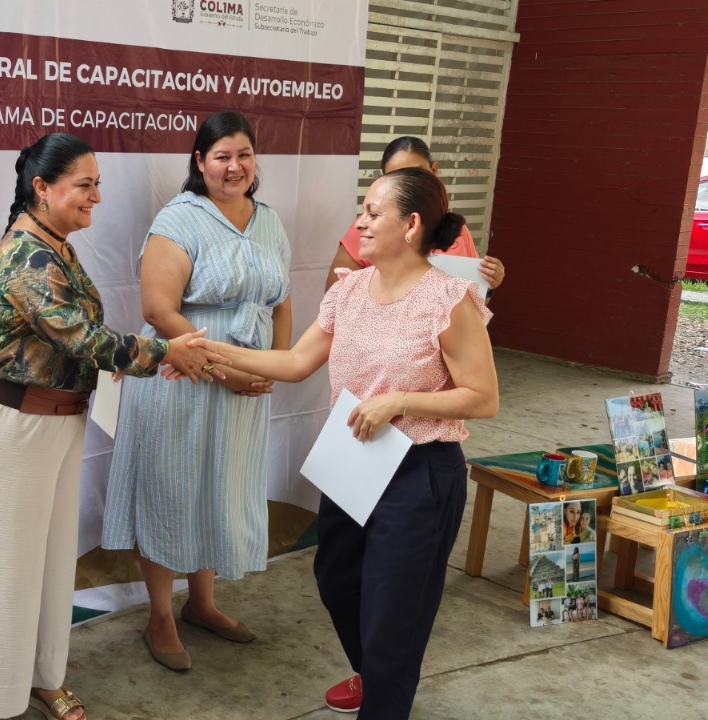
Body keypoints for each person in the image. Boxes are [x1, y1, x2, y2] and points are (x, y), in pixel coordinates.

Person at [0, 133, 223, 720]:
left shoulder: (55, 245)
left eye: (97, 184)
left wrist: (140, 359)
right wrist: (166, 352)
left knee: (50, 564)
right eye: (84, 185)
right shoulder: (26, 255)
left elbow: (78, 343)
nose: (97, 197)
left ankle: (41, 677)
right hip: (8, 429)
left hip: (55, 424)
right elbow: (81, 336)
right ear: (42, 188)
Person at [188, 166, 498, 717]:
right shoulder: (349, 289)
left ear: (411, 225)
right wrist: (206, 352)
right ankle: (376, 677)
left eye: (373, 213)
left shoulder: (449, 300)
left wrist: (400, 401)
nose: (361, 222)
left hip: (419, 473)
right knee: (337, 580)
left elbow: (482, 397)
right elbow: (294, 362)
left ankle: (384, 692)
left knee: (392, 615)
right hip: (353, 460)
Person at [102, 111, 292, 672]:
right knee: (172, 491)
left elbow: (281, 301)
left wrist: (275, 366)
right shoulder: (179, 219)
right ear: (199, 162)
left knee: (219, 489)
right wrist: (228, 369)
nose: (234, 167)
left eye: (244, 155)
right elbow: (159, 311)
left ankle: (202, 604)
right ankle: (161, 615)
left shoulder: (268, 220)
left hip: (245, 387)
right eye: (222, 156)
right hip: (183, 380)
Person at [324, 136, 506, 294]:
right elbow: (336, 295)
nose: (410, 187)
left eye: (418, 175)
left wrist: (488, 285)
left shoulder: (456, 230)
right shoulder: (367, 227)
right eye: (398, 178)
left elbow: (470, 305)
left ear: (434, 170)